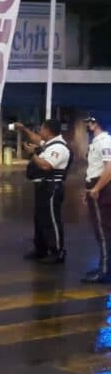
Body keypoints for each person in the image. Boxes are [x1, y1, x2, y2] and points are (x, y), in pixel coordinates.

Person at [14, 120, 71, 264]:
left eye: (42, 129)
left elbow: (46, 166)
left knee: (51, 220)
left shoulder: (59, 147)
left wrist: (33, 154)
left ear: (48, 131)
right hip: (43, 187)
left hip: (51, 187)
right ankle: (41, 249)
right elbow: (36, 139)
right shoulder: (49, 144)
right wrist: (23, 129)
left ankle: (57, 252)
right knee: (40, 220)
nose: (39, 131)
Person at [82, 114, 111, 283]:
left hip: (103, 189)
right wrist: (88, 189)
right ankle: (104, 266)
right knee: (103, 229)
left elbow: (109, 167)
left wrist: (96, 188)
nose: (86, 125)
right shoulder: (97, 142)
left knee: (103, 231)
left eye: (88, 122)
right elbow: (95, 168)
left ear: (95, 123)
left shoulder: (105, 141)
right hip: (98, 186)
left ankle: (105, 271)